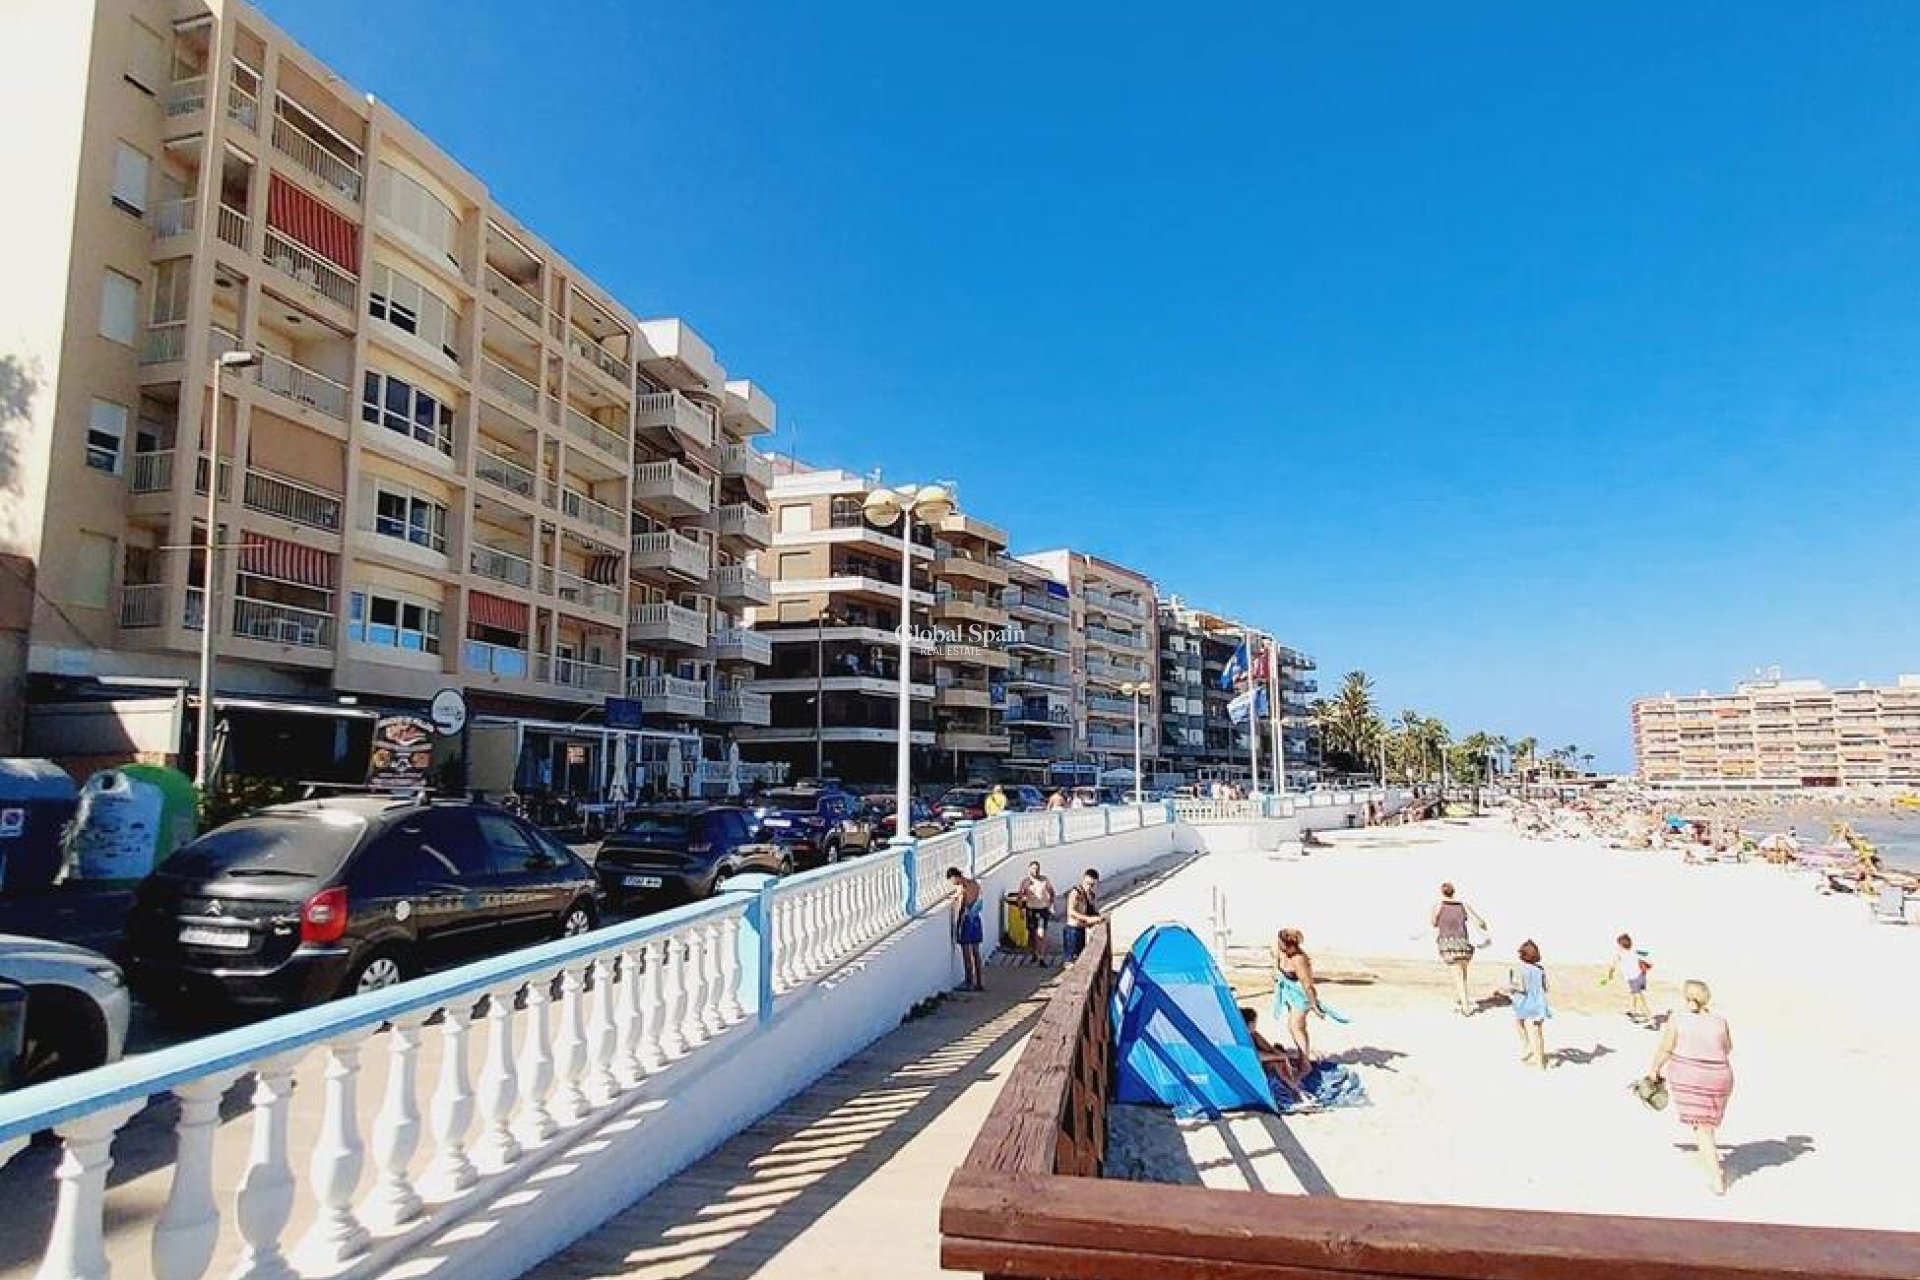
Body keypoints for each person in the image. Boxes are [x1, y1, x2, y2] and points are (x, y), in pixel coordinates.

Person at [1647, 979, 1736, 1195]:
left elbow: (1666, 1048)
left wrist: (1654, 1070)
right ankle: (1710, 1155)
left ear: (1686, 997)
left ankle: (1716, 1179)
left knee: (1702, 1129)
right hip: (1720, 1076)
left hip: (1690, 1076)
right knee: (1707, 1125)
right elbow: (1727, 1048)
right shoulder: (1720, 1021)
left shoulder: (1677, 1018)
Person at [1430, 882, 1488, 1015]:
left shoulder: (1438, 905)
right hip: (1464, 945)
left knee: (1458, 976)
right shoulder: (1463, 905)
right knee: (1463, 974)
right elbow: (1481, 922)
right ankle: (1462, 999)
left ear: (1442, 892)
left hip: (1448, 945)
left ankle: (1466, 1008)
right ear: (1453, 891)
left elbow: (1433, 923)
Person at [1238, 1007, 1314, 1109]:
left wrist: (1281, 1055)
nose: (1256, 1025)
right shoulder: (1242, 1039)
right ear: (1250, 1023)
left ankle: (1294, 1087)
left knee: (1278, 1056)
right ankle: (1296, 1090)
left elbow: (1269, 1048)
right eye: (1255, 1022)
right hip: (1252, 1065)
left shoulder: (1255, 1035)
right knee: (1276, 1063)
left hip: (1262, 1062)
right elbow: (1255, 1056)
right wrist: (1278, 1056)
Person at [1270, 928, 1323, 1068]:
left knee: (1296, 1027)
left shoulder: (1299, 959)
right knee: (1294, 1027)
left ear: (1289, 945)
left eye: (1280, 943)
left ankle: (1305, 1064)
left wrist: (1314, 1005)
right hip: (1289, 993)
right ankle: (1302, 1059)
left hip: (1301, 995)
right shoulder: (1280, 950)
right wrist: (1276, 972)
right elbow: (1275, 960)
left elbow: (1307, 985)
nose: (1278, 944)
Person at [1509, 939, 1551, 1069]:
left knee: (1519, 1022)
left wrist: (1510, 988)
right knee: (1538, 1032)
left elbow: (1520, 988)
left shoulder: (1519, 969)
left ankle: (1527, 1045)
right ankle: (1540, 1063)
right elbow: (1546, 987)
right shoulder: (1540, 969)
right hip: (1539, 1002)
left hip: (1525, 1003)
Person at [1007, 860, 1057, 965]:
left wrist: (1051, 904)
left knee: (1041, 933)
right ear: (1029, 869)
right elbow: (1020, 897)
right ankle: (1034, 953)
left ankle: (1041, 957)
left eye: (1037, 869)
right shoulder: (1025, 882)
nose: (1036, 871)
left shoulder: (1044, 880)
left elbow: (1052, 892)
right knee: (1032, 934)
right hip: (1031, 910)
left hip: (1042, 909)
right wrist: (1020, 910)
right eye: (1034, 869)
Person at [945, 867, 985, 992]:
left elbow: (961, 907)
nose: (952, 883)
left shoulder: (962, 888)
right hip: (976, 918)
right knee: (976, 952)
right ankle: (979, 981)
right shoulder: (974, 884)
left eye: (952, 880)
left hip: (966, 921)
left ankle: (969, 981)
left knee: (966, 952)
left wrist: (957, 925)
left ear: (955, 877)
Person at [1603, 932, 1652, 1022]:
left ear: (1621, 945)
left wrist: (1610, 974)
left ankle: (1650, 1018)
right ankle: (1633, 1011)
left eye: (1619, 944)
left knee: (1639, 997)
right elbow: (1647, 958)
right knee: (1633, 994)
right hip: (1639, 976)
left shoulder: (1620, 954)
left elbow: (1613, 965)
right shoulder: (1634, 952)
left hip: (1634, 978)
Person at [1062, 868, 1103, 962]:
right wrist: (1088, 919)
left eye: (1092, 885)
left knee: (1080, 958)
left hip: (1082, 929)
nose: (1089, 887)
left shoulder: (1090, 895)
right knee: (1071, 961)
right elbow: (1071, 911)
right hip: (1072, 930)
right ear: (1083, 879)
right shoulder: (1075, 892)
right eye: (1087, 883)